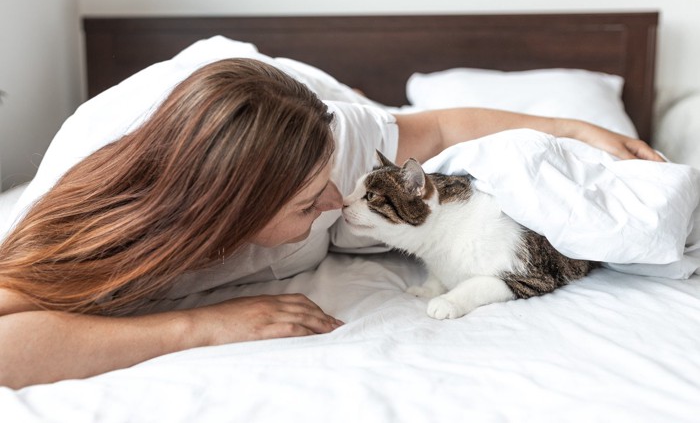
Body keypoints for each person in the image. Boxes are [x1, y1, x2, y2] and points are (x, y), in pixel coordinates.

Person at [0, 56, 663, 389]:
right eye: (304, 203)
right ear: (226, 211)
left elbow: (434, 126)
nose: (333, 204)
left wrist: (570, 125)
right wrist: (198, 325)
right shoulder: (96, 206)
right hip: (183, 115)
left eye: (328, 184)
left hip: (274, 90)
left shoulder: (331, 138)